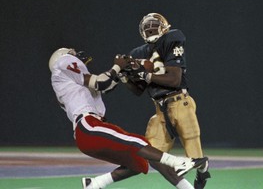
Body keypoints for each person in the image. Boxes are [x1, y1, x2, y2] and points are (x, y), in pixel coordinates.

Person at [49, 47, 208, 189]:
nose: (75, 57)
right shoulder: (62, 63)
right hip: (88, 125)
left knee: (139, 161)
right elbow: (101, 83)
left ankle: (95, 184)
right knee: (139, 143)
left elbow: (108, 84)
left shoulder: (70, 83)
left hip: (88, 132)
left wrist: (123, 72)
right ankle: (178, 162)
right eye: (71, 55)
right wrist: (118, 65)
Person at [119, 13, 211, 189]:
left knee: (194, 155)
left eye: (153, 25)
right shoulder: (138, 53)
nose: (150, 29)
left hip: (179, 101)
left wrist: (145, 74)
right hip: (160, 110)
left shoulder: (172, 38)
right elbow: (138, 90)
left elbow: (174, 79)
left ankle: (202, 169)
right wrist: (125, 77)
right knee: (152, 154)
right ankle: (187, 185)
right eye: (147, 27)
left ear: (164, 27)